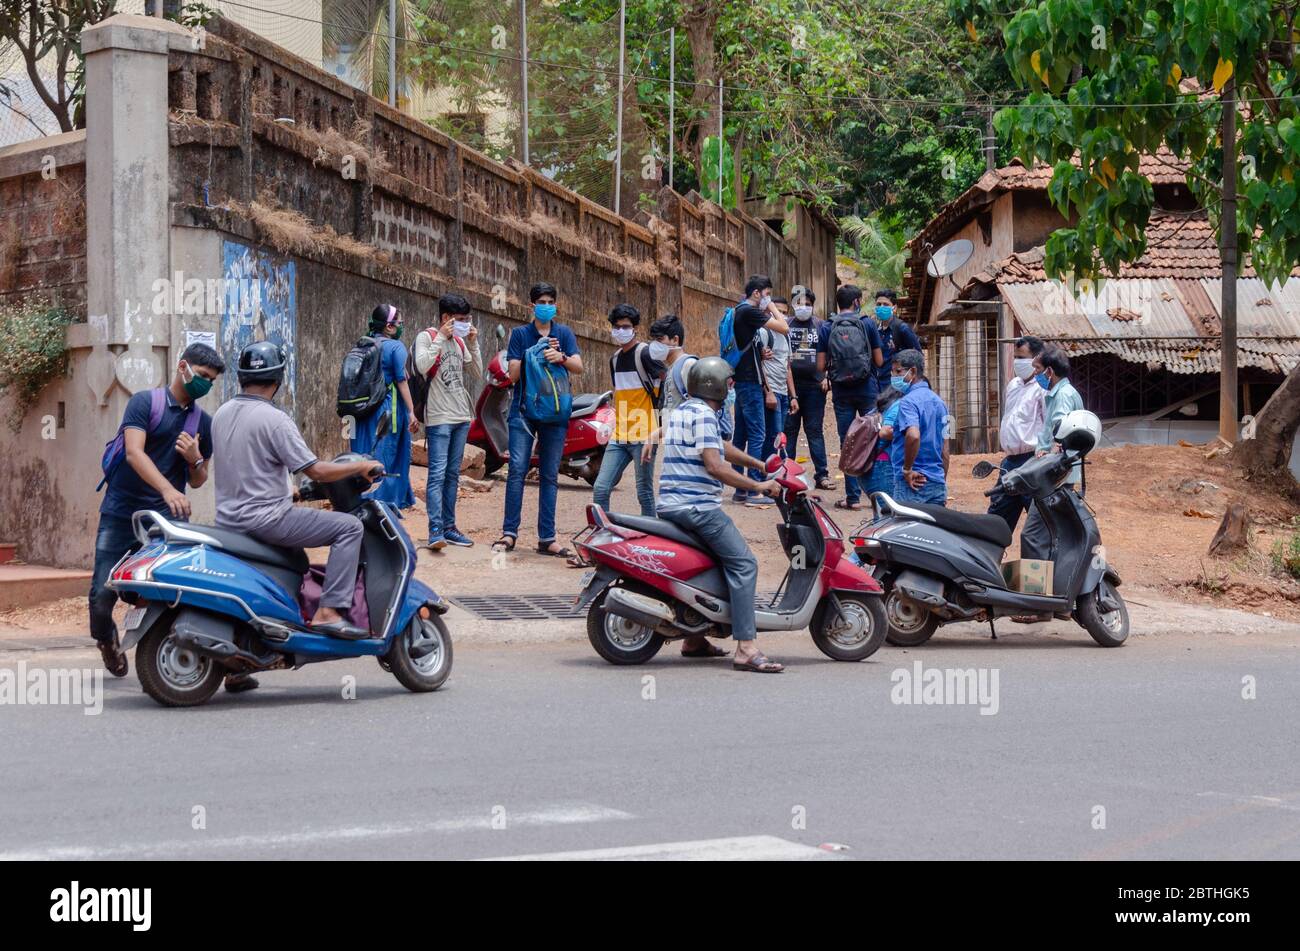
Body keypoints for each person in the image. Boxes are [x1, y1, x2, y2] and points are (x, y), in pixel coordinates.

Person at [213, 341, 381, 648]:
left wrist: (288, 490)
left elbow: (248, 465)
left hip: (229, 519)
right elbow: (316, 471)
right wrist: (360, 468)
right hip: (267, 519)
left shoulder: (222, 413)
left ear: (241, 377)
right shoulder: (275, 420)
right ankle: (329, 611)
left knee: (299, 561)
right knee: (349, 528)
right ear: (278, 380)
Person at [89, 343, 224, 677]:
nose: (205, 384)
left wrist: (194, 458)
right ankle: (105, 640)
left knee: (167, 592)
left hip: (167, 522)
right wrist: (165, 487)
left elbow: (197, 480)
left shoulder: (202, 423)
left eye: (211, 380)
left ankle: (168, 656)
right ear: (183, 367)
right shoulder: (144, 403)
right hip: (122, 513)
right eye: (202, 375)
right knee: (101, 597)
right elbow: (134, 452)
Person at [658, 356, 785, 673]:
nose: (732, 391)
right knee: (744, 564)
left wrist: (759, 464)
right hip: (697, 507)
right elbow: (715, 466)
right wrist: (759, 486)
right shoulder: (703, 414)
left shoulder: (685, 410)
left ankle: (694, 638)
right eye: (729, 385)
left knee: (712, 563)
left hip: (674, 504)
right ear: (714, 386)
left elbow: (721, 447)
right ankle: (746, 647)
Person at [494, 282, 583, 557]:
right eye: (541, 301)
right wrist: (533, 352)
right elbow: (513, 376)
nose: (547, 305)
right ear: (531, 306)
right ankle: (510, 533)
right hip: (523, 412)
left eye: (550, 300)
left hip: (555, 413)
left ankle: (547, 538)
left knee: (549, 475)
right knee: (517, 470)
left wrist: (561, 356)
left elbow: (578, 367)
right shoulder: (521, 334)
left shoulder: (564, 333)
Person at [414, 293, 482, 550]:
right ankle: (435, 531)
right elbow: (422, 365)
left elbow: (476, 373)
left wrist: (473, 343)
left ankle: (450, 527)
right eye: (461, 319)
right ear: (446, 318)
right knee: (437, 474)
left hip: (461, 417)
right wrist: (441, 337)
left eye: (468, 319)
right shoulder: (427, 337)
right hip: (439, 418)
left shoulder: (460, 343)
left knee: (453, 475)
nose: (465, 324)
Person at [592, 303, 662, 518]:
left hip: (645, 435)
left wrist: (661, 425)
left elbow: (667, 385)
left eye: (626, 326)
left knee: (644, 492)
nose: (621, 331)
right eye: (617, 327)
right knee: (601, 488)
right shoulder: (614, 360)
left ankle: (652, 537)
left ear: (635, 329)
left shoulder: (646, 354)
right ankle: (602, 533)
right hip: (620, 435)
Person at [817, 284, 883, 511]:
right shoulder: (867, 324)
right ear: (856, 302)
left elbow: (821, 365)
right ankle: (878, 495)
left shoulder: (827, 326)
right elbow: (879, 360)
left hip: (842, 392)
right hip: (867, 391)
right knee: (874, 438)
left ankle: (853, 498)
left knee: (849, 442)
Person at [728, 275, 789, 504]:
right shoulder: (749, 311)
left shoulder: (740, 312)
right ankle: (755, 489)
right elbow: (783, 327)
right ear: (757, 293)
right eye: (766, 293)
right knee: (757, 435)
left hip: (744, 381)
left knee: (741, 436)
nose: (768, 298)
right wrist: (771, 306)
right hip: (750, 383)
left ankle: (739, 489)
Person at [350, 304, 418, 508]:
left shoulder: (362, 344)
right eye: (399, 323)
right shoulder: (396, 347)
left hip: (363, 409)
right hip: (388, 409)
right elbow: (401, 381)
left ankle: (361, 500)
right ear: (389, 327)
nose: (401, 326)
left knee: (365, 452)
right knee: (388, 453)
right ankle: (385, 503)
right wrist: (412, 411)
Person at [1020, 346, 1085, 560]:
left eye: (1038, 369)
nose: (1035, 374)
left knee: (1032, 535)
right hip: (1056, 475)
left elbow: (1060, 431)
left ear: (1049, 371)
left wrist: (1048, 454)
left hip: (1055, 478)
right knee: (1051, 533)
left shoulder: (1063, 396)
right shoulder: (1059, 393)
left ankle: (1035, 585)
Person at [987, 335, 1047, 532]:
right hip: (1010, 462)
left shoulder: (1042, 389)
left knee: (1040, 523)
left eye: (1023, 357)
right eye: (1016, 357)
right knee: (996, 521)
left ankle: (1044, 563)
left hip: (1032, 462)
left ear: (1037, 358)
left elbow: (1049, 425)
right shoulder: (1014, 385)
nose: (1018, 362)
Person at [783, 287, 834, 490]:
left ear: (813, 306)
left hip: (815, 388)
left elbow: (832, 353)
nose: (803, 308)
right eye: (799, 303)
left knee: (814, 431)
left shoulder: (821, 326)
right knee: (790, 431)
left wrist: (827, 377)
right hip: (791, 388)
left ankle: (822, 475)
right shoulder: (785, 325)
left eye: (807, 304)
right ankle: (787, 474)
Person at [750, 296, 796, 507]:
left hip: (783, 393)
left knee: (776, 437)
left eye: (783, 311)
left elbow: (787, 368)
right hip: (771, 393)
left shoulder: (785, 335)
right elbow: (759, 365)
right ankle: (761, 483)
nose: (779, 314)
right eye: (775, 310)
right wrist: (768, 392)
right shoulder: (763, 332)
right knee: (770, 438)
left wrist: (793, 395)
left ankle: (769, 481)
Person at [891, 348, 951, 507]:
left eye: (898, 371)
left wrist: (907, 469)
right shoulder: (942, 404)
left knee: (904, 530)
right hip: (936, 483)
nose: (894, 377)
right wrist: (941, 483)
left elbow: (913, 435)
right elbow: (945, 449)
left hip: (912, 483)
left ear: (913, 371)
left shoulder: (908, 402)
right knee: (932, 532)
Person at [870, 289, 922, 396]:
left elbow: (918, 355)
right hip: (877, 385)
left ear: (894, 307)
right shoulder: (875, 329)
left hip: (897, 385)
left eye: (886, 304)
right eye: (879, 304)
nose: (881, 307)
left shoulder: (902, 329)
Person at [864, 384, 905, 508]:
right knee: (887, 516)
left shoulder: (883, 405)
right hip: (883, 465)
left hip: (870, 463)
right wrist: (910, 431)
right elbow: (886, 431)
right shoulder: (899, 405)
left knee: (880, 514)